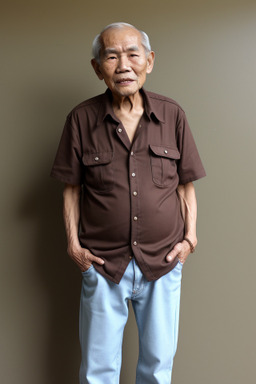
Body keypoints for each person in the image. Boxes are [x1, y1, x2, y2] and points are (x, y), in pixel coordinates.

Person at [51, 22, 206, 384]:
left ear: (149, 61)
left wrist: (190, 240)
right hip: (103, 265)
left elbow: (186, 185)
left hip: (163, 262)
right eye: (111, 55)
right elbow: (71, 189)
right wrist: (74, 247)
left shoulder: (173, 115)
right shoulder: (80, 119)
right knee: (98, 371)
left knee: (157, 368)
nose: (123, 65)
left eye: (133, 54)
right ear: (97, 68)